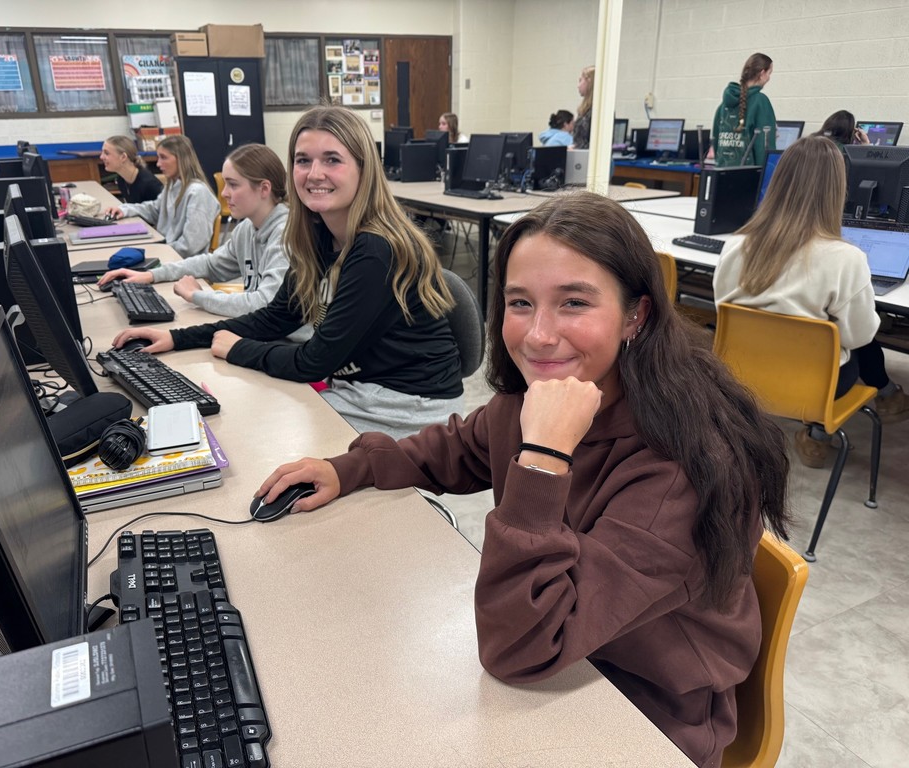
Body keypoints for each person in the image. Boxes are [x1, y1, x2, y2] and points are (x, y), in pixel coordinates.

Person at [254, 192, 791, 768]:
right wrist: (350, 467)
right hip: (571, 668)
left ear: (637, 314)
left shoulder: (678, 468)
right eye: (519, 302)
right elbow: (457, 448)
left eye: (574, 303)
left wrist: (542, 458)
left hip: (649, 714)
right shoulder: (543, 398)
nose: (537, 335)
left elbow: (521, 647)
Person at [112, 105, 464, 439]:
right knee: (252, 419)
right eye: (302, 160)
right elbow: (275, 318)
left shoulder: (375, 249)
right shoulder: (319, 236)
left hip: (410, 407)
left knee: (255, 432)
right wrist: (179, 338)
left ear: (363, 168)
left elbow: (314, 362)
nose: (314, 174)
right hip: (362, 388)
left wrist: (239, 349)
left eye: (332, 160)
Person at [714, 135, 909, 466]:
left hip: (738, 376)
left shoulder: (735, 245)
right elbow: (860, 336)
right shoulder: (846, 259)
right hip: (814, 388)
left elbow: (722, 306)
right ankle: (817, 436)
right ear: (838, 190)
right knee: (854, 347)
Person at [99, 144, 290, 319]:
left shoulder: (286, 236)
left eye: (233, 184)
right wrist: (152, 275)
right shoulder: (246, 229)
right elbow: (212, 264)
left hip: (286, 344)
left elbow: (266, 303)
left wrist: (197, 296)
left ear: (264, 188)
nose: (224, 193)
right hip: (264, 332)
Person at [104, 134, 219, 258]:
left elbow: (190, 246)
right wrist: (124, 209)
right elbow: (155, 210)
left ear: (181, 159)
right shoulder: (173, 186)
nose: (158, 164)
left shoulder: (198, 193)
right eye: (158, 157)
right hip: (168, 253)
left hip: (183, 262)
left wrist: (156, 251)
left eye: (163, 158)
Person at [712, 53, 776, 167]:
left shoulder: (723, 105)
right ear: (762, 73)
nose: (769, 78)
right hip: (747, 178)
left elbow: (715, 142)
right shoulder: (760, 101)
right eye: (769, 73)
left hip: (721, 174)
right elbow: (763, 148)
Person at [98, 135, 163, 204]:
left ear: (123, 157)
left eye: (107, 153)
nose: (101, 157)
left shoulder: (149, 185)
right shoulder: (121, 179)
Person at [571, 66, 595, 150]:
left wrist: (576, 149)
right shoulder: (585, 109)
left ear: (590, 81)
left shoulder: (597, 110)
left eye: (580, 80)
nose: (578, 86)